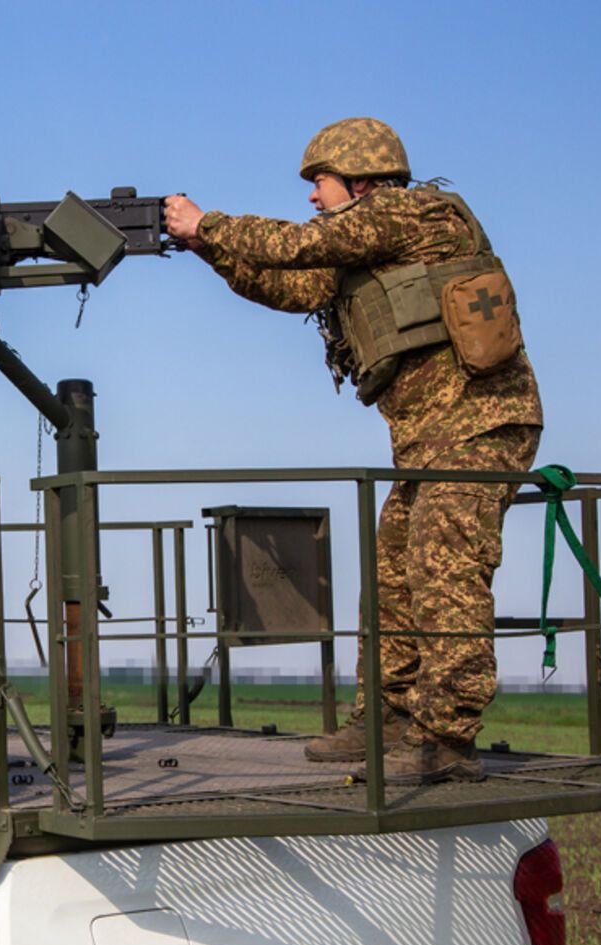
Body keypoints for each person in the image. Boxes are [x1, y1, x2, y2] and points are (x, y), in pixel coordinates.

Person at [164, 117, 542, 784]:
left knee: (443, 565)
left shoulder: (413, 212)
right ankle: (388, 720)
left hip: (482, 426)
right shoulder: (367, 248)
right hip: (429, 441)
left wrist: (209, 222)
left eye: (321, 183)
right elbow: (288, 284)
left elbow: (301, 243)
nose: (312, 196)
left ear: (361, 180)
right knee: (393, 569)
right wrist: (204, 248)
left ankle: (446, 739)